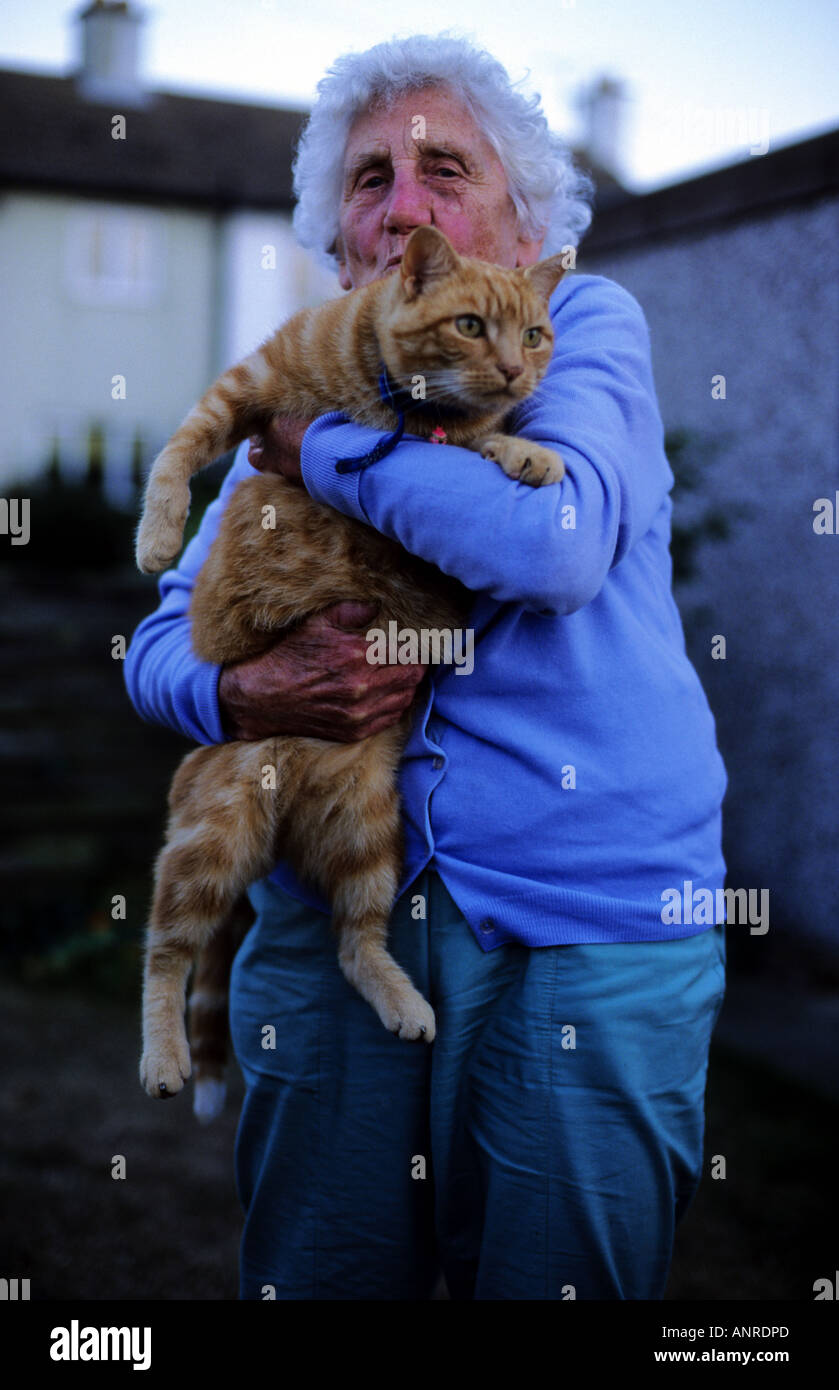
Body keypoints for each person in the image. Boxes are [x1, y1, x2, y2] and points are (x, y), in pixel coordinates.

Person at [125, 33, 728, 1301]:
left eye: (443, 169)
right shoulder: (308, 384)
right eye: (364, 181)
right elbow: (161, 646)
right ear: (345, 246)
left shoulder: (574, 327)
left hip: (584, 913)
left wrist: (321, 454)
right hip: (338, 906)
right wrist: (242, 695)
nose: (401, 202)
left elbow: (549, 544)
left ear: (523, 216)